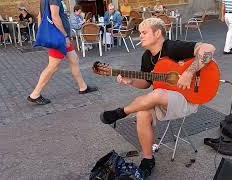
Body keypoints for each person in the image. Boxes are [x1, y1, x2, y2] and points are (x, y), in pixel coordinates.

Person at [99, 18, 216, 178]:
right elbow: (147, 83)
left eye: (144, 32)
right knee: (142, 113)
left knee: (157, 94)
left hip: (188, 98)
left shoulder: (173, 47)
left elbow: (209, 48)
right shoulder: (147, 57)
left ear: (157, 33)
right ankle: (148, 160)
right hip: (162, 99)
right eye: (140, 33)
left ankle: (122, 112)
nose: (140, 36)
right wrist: (131, 80)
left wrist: (189, 72)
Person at [27, 0, 97, 105]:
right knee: (53, 66)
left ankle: (83, 87)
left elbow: (40, 16)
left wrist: (43, 33)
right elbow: (55, 17)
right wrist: (64, 36)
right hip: (59, 37)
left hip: (58, 36)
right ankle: (35, 94)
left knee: (74, 59)